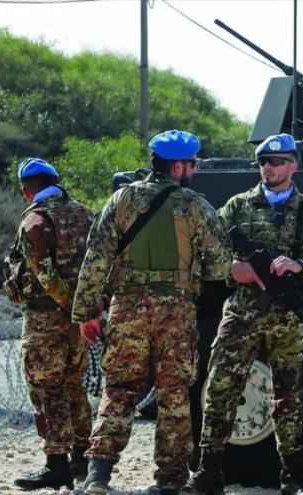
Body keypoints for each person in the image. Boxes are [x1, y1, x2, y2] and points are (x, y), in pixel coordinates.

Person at [183, 134, 303, 495]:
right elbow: (203, 254)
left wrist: (300, 266)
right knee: (220, 392)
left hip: (290, 319)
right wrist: (232, 269)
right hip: (242, 314)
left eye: (277, 162)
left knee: (290, 400)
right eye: (264, 162)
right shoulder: (237, 207)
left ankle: (292, 477)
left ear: (294, 166)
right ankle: (208, 473)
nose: (268, 168)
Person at [72, 130, 232, 495]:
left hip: (127, 308)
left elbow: (95, 259)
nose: (193, 169)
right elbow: (221, 265)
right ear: (178, 166)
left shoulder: (120, 199)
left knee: (119, 389)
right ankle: (170, 482)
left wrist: (87, 313)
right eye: (192, 163)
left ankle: (98, 475)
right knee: (173, 394)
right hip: (176, 311)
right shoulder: (195, 205)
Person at [3, 158, 96, 491]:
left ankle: (57, 465)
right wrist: (85, 309)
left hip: (46, 318)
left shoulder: (36, 220)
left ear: (26, 190)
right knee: (74, 386)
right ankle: (82, 459)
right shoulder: (85, 214)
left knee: (47, 390)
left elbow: (44, 273)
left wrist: (68, 304)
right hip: (80, 320)